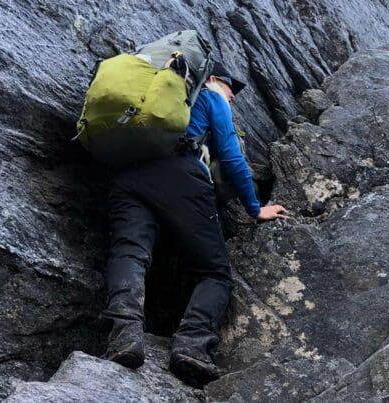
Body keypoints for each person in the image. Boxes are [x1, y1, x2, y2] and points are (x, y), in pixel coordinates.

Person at [99, 60, 288, 388]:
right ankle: (191, 346)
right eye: (231, 89)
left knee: (130, 253)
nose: (233, 98)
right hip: (181, 176)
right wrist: (255, 208)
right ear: (213, 78)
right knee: (214, 273)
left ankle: (124, 337)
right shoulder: (210, 96)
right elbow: (230, 156)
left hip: (127, 176)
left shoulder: (148, 105)